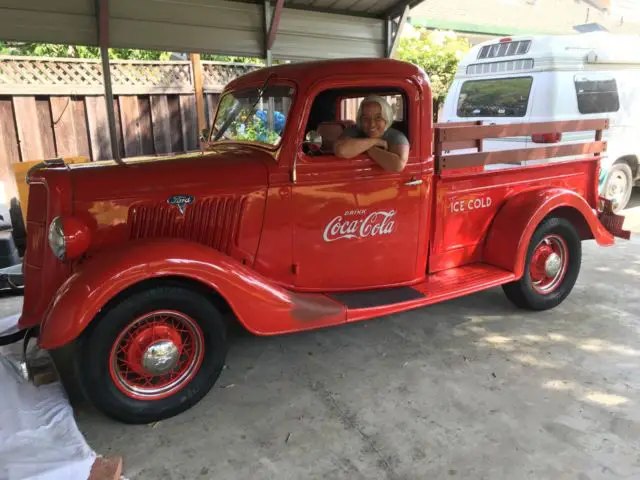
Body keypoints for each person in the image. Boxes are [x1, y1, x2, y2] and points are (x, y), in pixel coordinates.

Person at [333, 95, 409, 172]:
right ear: (360, 120)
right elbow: (340, 150)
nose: (372, 124)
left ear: (386, 119)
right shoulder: (353, 130)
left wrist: (367, 147)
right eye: (366, 118)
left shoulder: (396, 136)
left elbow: (397, 165)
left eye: (378, 117)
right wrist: (375, 142)